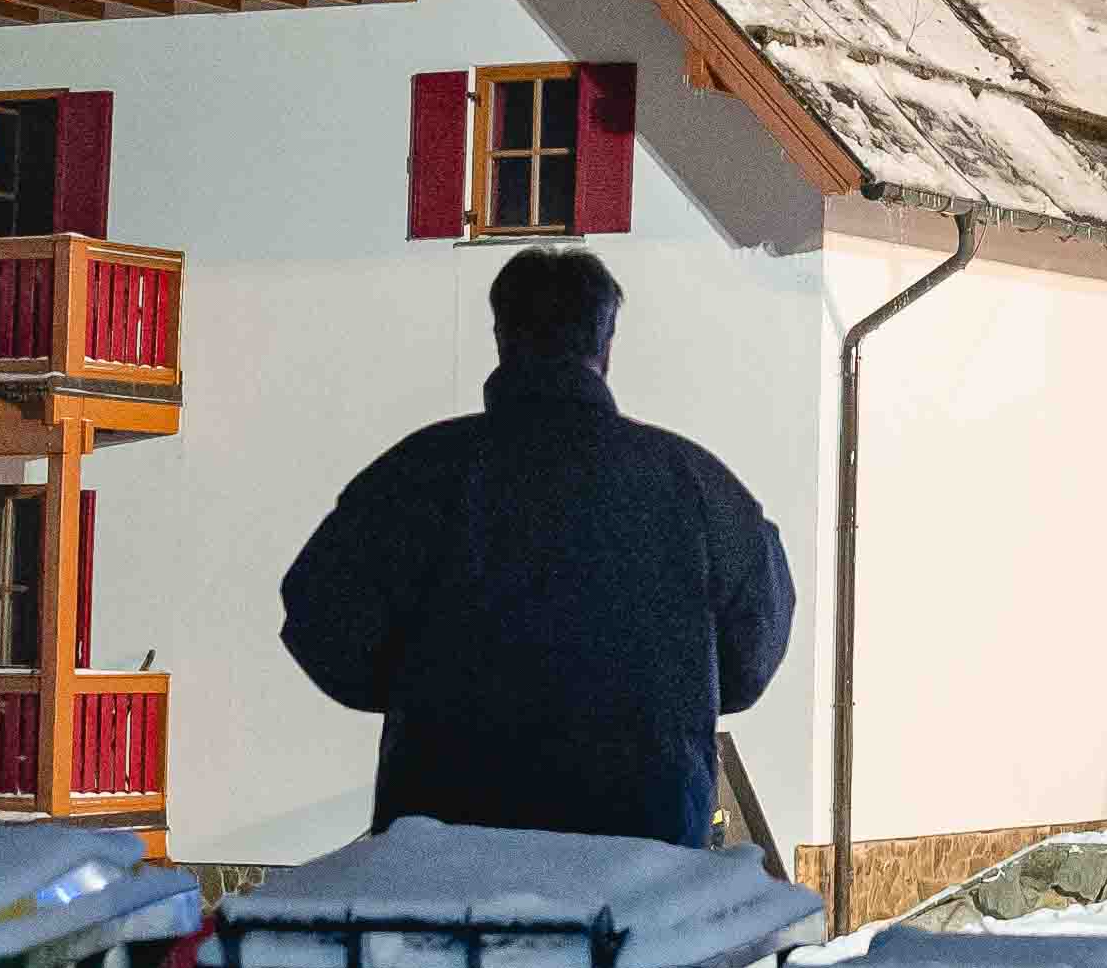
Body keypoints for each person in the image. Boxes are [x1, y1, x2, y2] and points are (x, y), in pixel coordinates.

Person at [281, 244, 794, 846]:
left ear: (501, 337)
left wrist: (424, 699)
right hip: (642, 844)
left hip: (449, 837)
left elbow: (321, 618)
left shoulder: (417, 476)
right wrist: (673, 701)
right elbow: (754, 648)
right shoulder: (695, 486)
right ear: (604, 345)